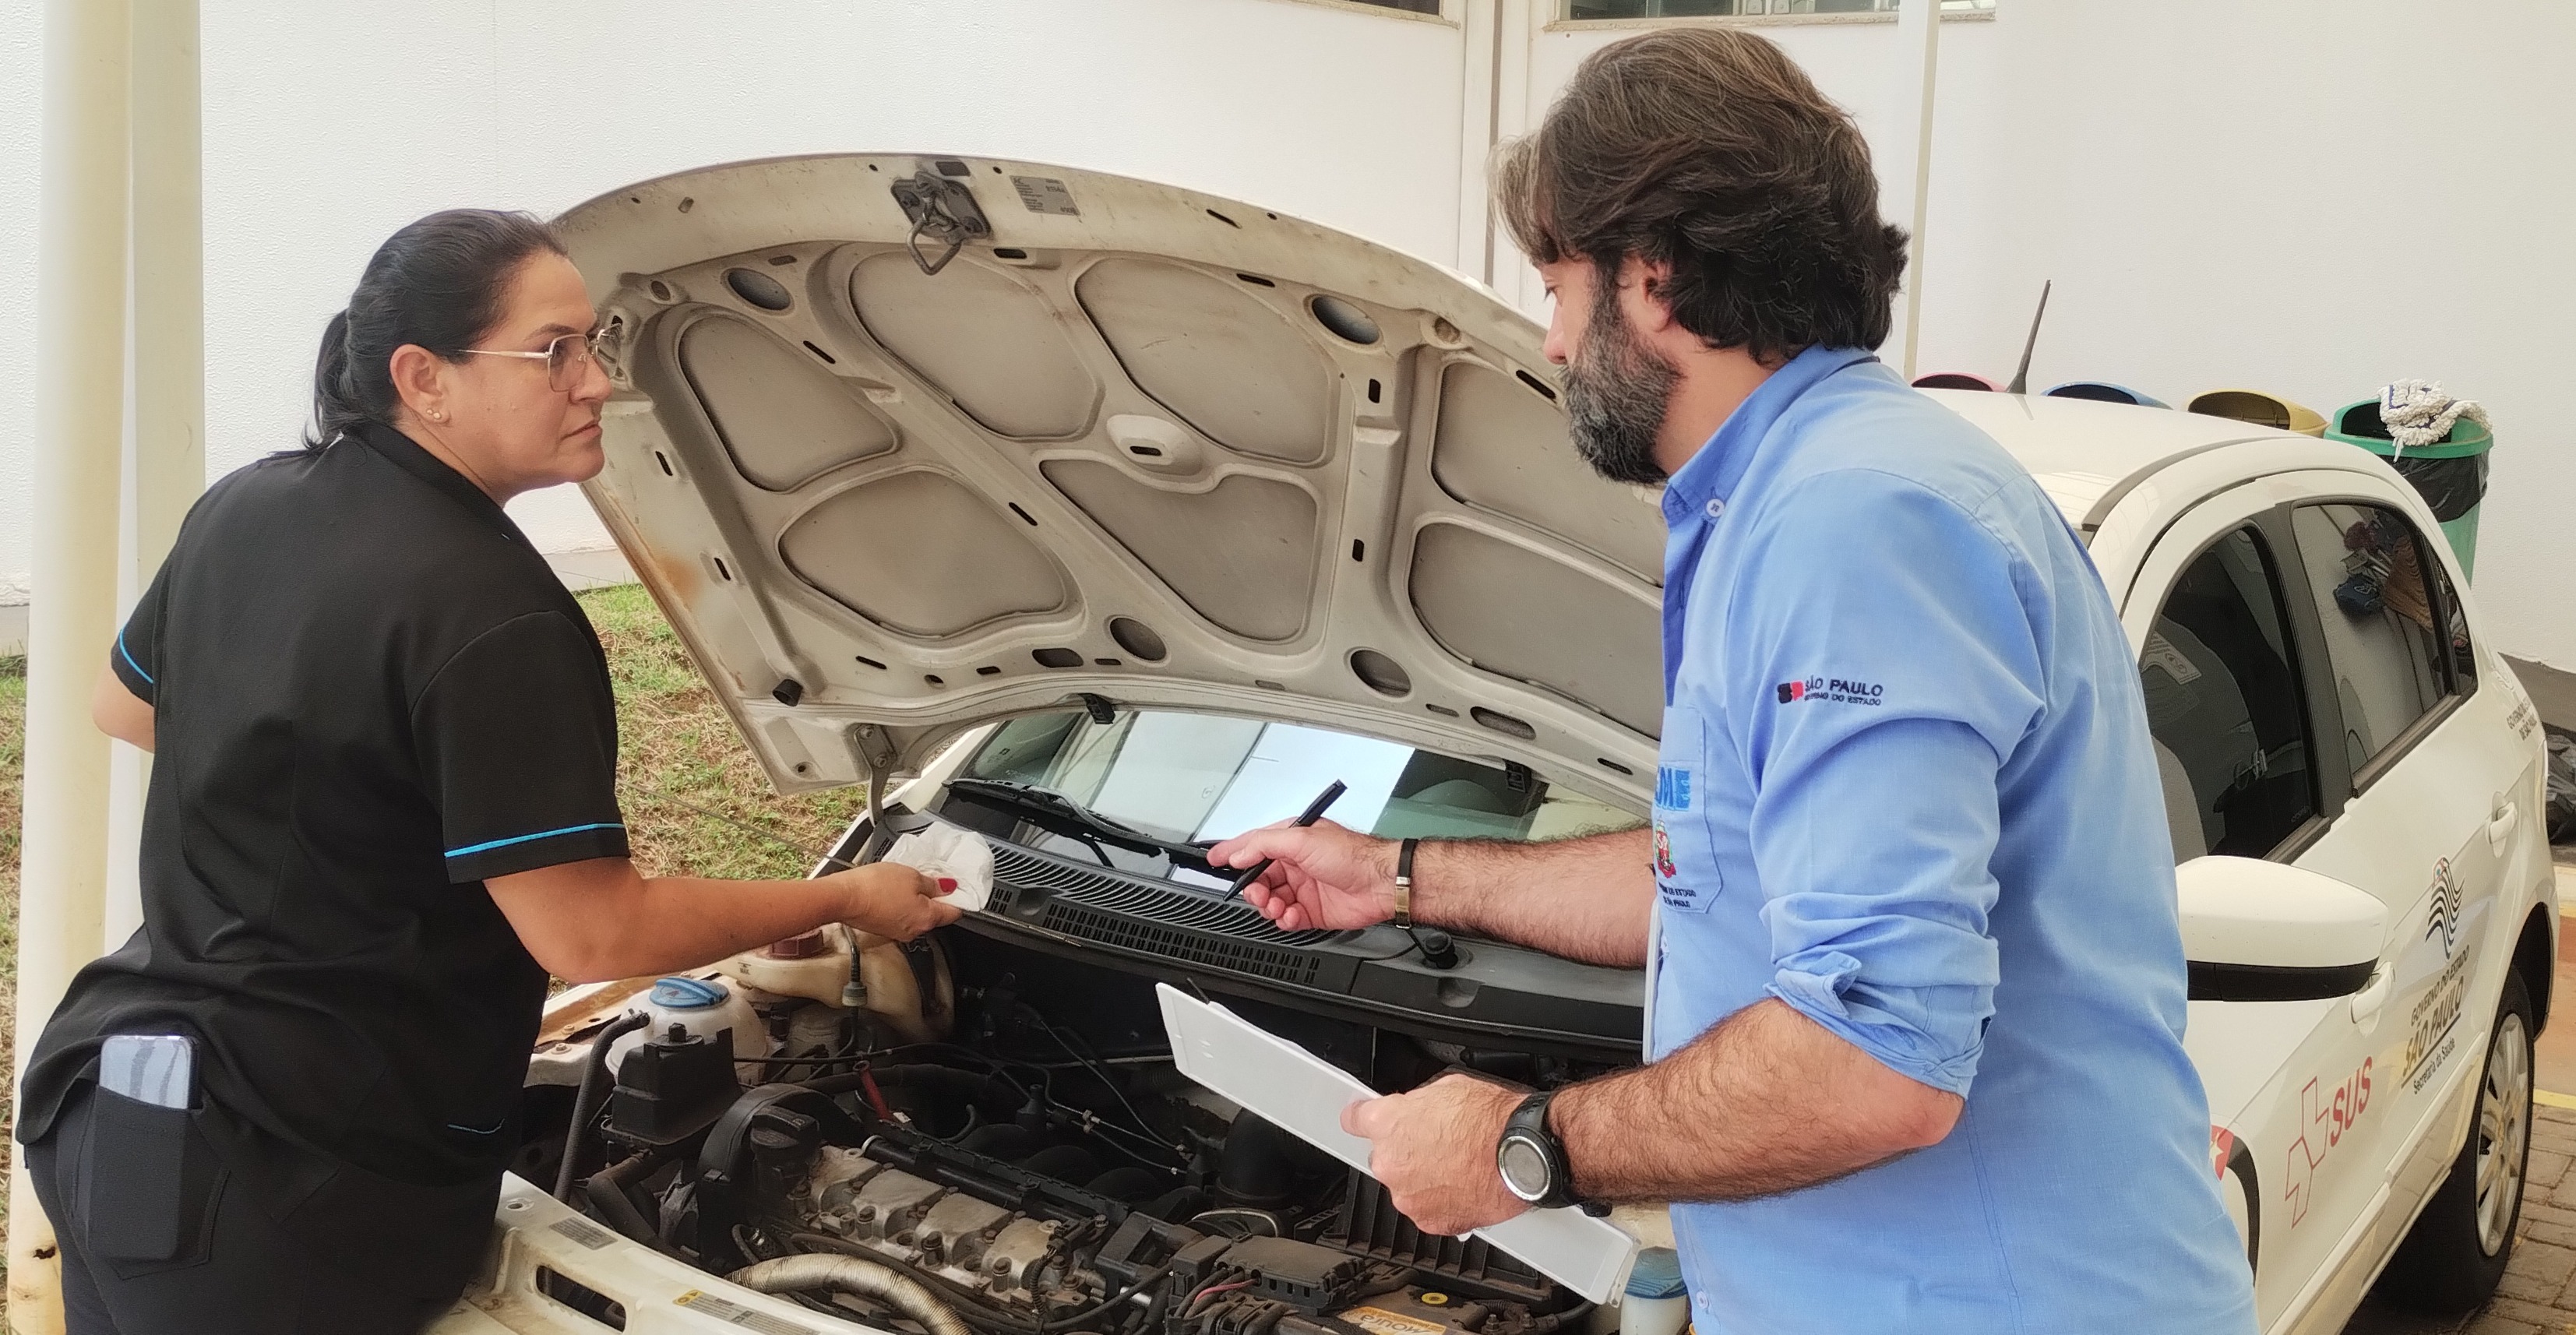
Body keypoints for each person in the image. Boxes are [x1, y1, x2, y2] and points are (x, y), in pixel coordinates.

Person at [1210, 29, 2257, 1334]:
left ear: (1653, 275)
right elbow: (1722, 872)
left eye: (1557, 285)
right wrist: (1402, 875)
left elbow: (1879, 1062)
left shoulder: (1853, 524)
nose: (1545, 340)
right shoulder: (1803, 496)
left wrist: (1521, 1140)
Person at [13, 209, 962, 1334]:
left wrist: (365, 794)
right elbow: (591, 938)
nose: (597, 381)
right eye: (553, 349)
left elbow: (124, 704)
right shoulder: (494, 613)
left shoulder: (248, 504)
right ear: (425, 378)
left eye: (595, 343)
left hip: (117, 1107)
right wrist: (852, 896)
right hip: (291, 1188)